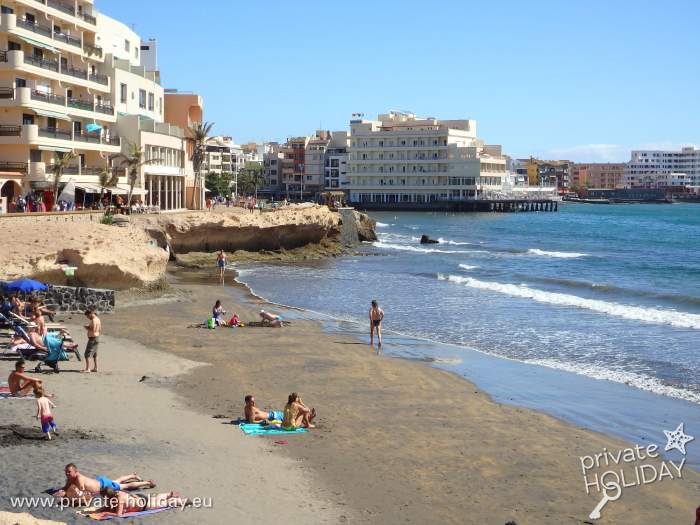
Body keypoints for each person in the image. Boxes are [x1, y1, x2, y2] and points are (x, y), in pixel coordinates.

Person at [52, 464, 155, 503]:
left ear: (75, 471)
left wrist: (70, 497)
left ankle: (147, 483)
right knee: (117, 481)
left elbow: (82, 492)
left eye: (69, 472)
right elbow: (65, 487)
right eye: (66, 471)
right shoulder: (70, 478)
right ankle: (133, 475)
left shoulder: (78, 478)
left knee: (125, 486)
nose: (67, 473)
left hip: (103, 485)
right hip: (99, 481)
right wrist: (60, 492)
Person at [96, 487, 190, 517]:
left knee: (165, 503)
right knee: (155, 498)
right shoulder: (118, 492)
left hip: (144, 505)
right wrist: (100, 509)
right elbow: (129, 493)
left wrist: (105, 512)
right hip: (140, 498)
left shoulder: (120, 500)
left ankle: (184, 501)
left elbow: (119, 514)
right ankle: (168, 494)